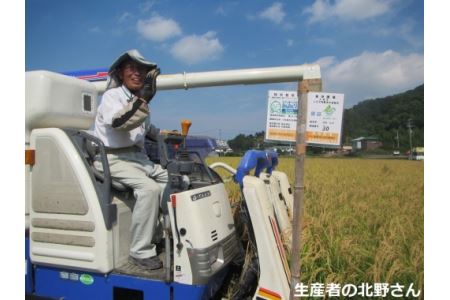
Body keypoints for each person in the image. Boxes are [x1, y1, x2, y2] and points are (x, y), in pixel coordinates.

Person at [93, 49, 167, 270]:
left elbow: (144, 128)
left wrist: (164, 134)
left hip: (136, 158)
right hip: (111, 158)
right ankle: (140, 251)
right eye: (132, 69)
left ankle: (156, 234)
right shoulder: (112, 97)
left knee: (170, 178)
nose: (138, 73)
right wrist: (143, 99)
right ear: (120, 73)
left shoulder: (138, 101)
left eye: (142, 70)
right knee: (149, 189)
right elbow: (120, 122)